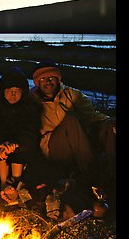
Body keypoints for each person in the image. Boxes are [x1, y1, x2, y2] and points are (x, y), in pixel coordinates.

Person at [30, 60, 116, 193]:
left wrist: (110, 121)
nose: (48, 82)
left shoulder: (71, 94)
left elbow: (91, 115)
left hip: (77, 140)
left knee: (110, 125)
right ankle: (92, 175)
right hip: (53, 147)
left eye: (52, 78)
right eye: (43, 79)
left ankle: (111, 175)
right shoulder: (32, 100)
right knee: (70, 120)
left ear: (58, 80)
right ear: (37, 82)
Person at [0, 66, 61, 208]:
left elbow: (31, 134)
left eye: (16, 91)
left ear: (23, 92)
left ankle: (15, 185)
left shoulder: (30, 108)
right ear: (3, 92)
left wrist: (16, 144)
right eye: (9, 91)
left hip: (23, 151)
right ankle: (3, 184)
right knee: (1, 154)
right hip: (2, 151)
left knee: (20, 154)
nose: (13, 95)